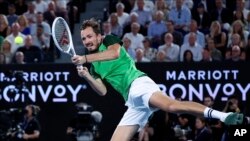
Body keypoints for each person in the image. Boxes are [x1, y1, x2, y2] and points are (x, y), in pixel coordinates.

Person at [71, 18, 248, 141]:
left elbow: (114, 53)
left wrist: (85, 59)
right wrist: (86, 75)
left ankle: (225, 116)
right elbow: (102, 90)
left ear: (98, 35)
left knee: (172, 106)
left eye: (89, 36)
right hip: (132, 101)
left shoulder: (108, 40)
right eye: (83, 39)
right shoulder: (93, 64)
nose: (86, 41)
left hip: (139, 84)